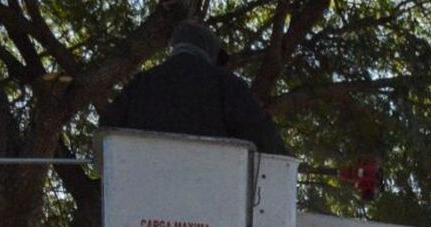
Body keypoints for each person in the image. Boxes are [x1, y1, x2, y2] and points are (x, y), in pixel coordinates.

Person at [99, 21, 289, 155]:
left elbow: (107, 128)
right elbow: (262, 135)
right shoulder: (226, 84)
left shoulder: (140, 85)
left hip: (143, 195)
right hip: (213, 195)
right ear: (207, 51)